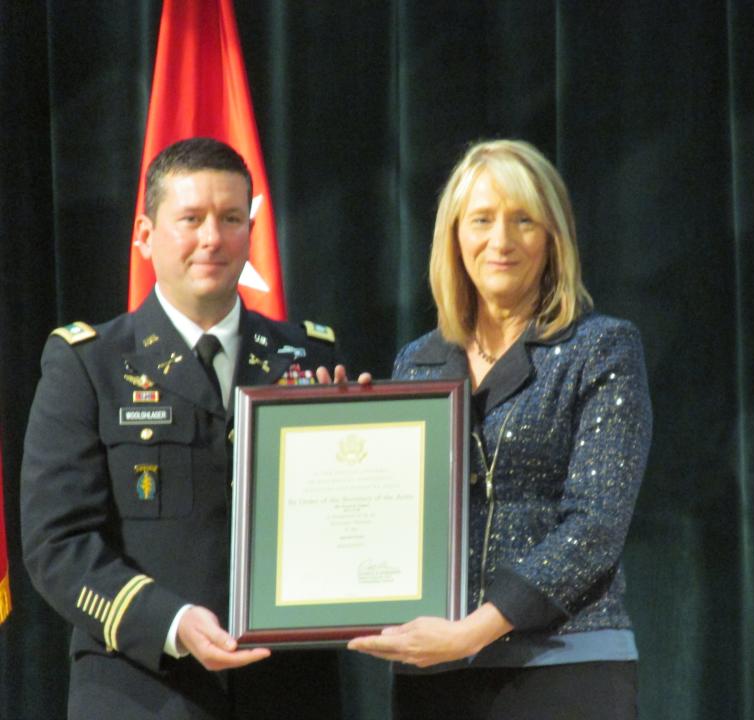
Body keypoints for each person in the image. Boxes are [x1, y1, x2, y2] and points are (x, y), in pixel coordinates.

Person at [21, 137, 354, 718]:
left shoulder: (308, 358)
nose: (212, 238)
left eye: (230, 219)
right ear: (146, 235)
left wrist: (357, 441)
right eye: (191, 218)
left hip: (290, 691)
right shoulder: (87, 364)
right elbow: (58, 544)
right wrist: (170, 622)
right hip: (142, 689)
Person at [347, 139, 653, 719]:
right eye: (482, 220)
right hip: (436, 670)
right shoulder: (418, 361)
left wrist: (475, 630)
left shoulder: (602, 348)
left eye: (523, 221)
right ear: (454, 236)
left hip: (566, 663)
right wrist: (340, 429)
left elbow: (594, 527)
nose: (501, 241)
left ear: (554, 239)